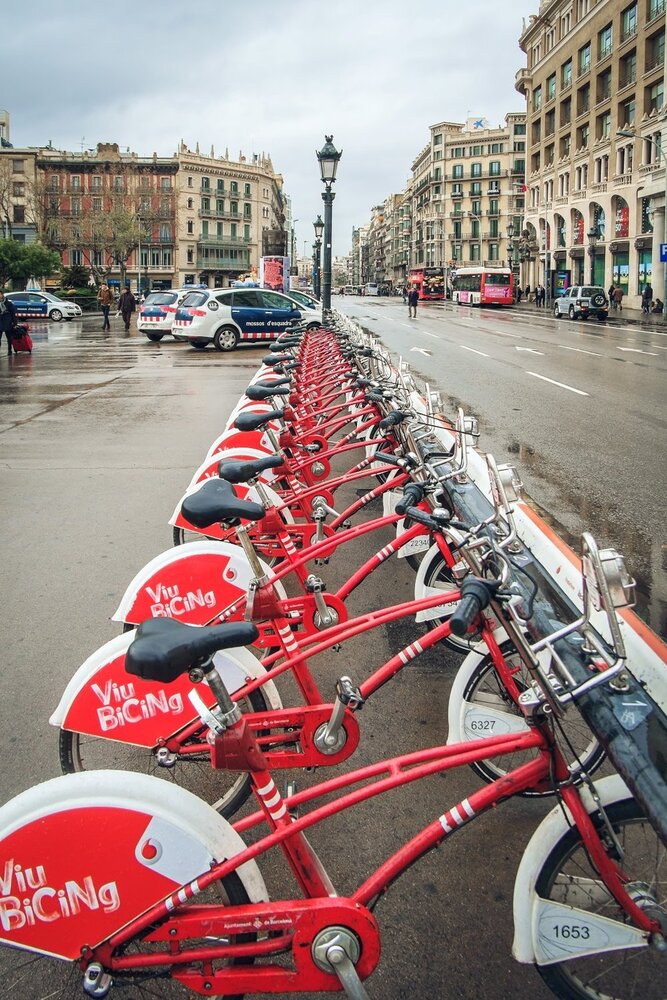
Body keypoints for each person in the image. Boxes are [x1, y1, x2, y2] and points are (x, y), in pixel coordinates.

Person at [0, 289, 17, 355]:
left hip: (7, 321)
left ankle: (9, 350)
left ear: (2, 295)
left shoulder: (8, 303)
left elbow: (13, 314)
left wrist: (15, 323)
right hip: (0, 321)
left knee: (9, 337)